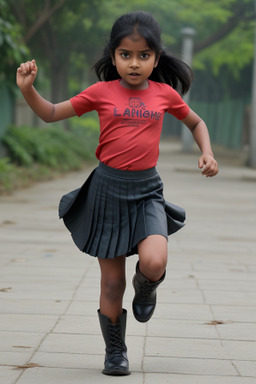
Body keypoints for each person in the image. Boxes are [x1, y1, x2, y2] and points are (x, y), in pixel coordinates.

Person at [16, 10, 218, 376]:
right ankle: (115, 350)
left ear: (156, 58)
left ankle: (147, 287)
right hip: (107, 192)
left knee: (155, 261)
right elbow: (49, 113)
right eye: (126, 55)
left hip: (147, 192)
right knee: (112, 281)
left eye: (144, 55)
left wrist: (207, 151)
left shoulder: (164, 94)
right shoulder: (101, 92)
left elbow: (196, 122)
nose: (135, 63)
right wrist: (29, 89)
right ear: (113, 56)